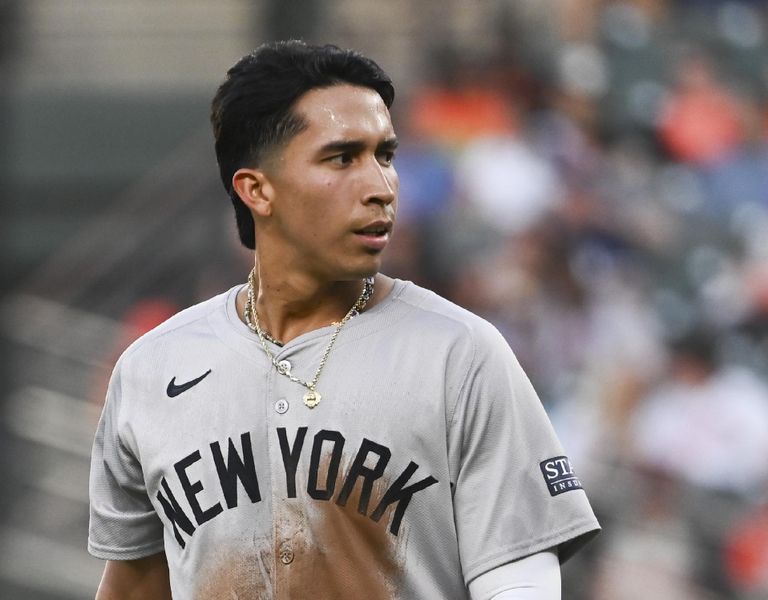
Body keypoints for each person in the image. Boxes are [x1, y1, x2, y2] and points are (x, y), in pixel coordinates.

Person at [88, 40, 600, 600]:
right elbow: (134, 586)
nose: (381, 187)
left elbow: (519, 584)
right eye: (342, 158)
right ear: (257, 189)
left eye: (385, 155)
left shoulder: (462, 355)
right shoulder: (151, 369)